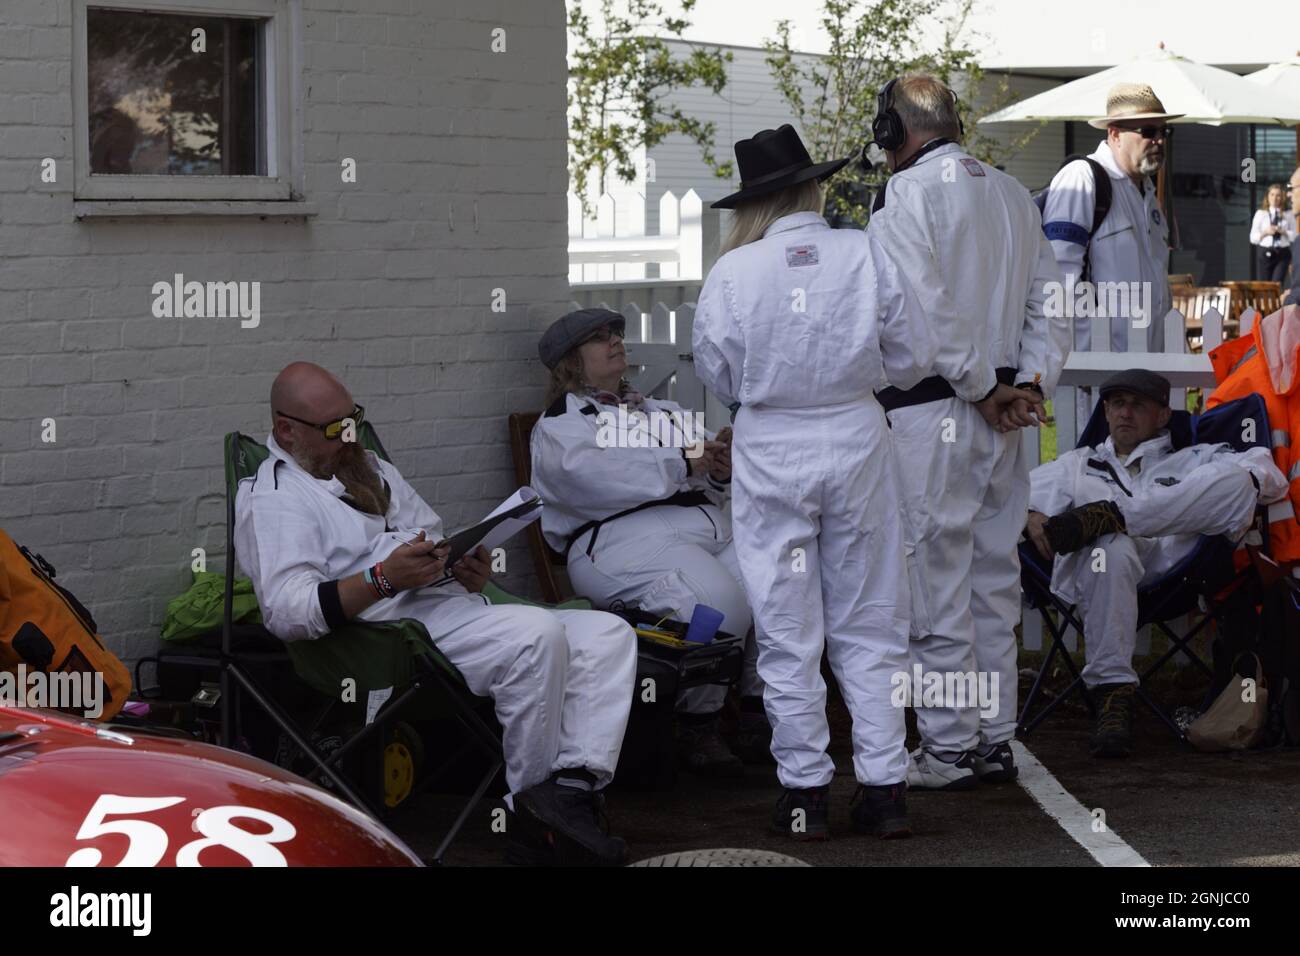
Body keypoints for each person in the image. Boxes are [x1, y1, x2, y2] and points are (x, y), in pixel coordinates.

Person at [235, 362, 639, 865]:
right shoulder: (276, 497)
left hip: (446, 604)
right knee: (535, 636)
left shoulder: (366, 467)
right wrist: (384, 579)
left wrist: (461, 565)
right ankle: (529, 813)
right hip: (382, 637)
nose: (350, 435)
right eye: (334, 428)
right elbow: (286, 610)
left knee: (608, 634)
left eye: (353, 419)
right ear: (286, 430)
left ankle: (567, 794)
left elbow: (429, 531)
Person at [693, 123, 946, 841]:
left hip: (774, 440)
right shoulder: (863, 250)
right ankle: (884, 786)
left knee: (785, 624)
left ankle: (803, 791)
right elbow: (914, 352)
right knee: (871, 619)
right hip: (855, 435)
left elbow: (718, 370)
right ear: (812, 186)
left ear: (755, 202)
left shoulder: (735, 271)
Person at [865, 74, 1070, 790]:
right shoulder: (1015, 194)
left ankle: (951, 748)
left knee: (939, 582)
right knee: (993, 578)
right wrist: (1031, 383)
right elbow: (1052, 302)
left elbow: (923, 307)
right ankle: (993, 739)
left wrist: (985, 389)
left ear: (895, 131)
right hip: (1004, 410)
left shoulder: (904, 196)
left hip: (939, 411)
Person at [529, 307, 767, 776]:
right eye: (599, 338)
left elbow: (701, 461)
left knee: (775, 586)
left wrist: (718, 467)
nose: (615, 341)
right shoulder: (561, 426)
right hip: (619, 540)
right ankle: (697, 722)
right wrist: (682, 461)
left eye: (616, 332)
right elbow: (596, 478)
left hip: (704, 526)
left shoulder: (660, 410)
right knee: (717, 606)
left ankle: (761, 713)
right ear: (570, 363)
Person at [1025, 369, 1287, 758]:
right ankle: (1113, 697)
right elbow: (1009, 497)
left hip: (1172, 575)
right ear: (1106, 412)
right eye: (1116, 404)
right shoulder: (1077, 465)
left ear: (1164, 415)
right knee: (1109, 546)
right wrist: (1029, 513)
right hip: (1099, 575)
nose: (1124, 414)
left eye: (1137, 405)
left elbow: (1271, 478)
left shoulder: (1193, 458)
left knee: (1238, 481)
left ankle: (1116, 514)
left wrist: (1135, 515)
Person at [1041, 83, 1181, 421]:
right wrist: (1078, 357)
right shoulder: (1082, 178)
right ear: (1115, 134)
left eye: (1165, 131)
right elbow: (1057, 279)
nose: (1159, 140)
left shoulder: (1147, 193)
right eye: (1148, 131)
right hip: (1095, 377)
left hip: (1145, 375)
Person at [1249, 183, 1296, 285]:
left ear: (1282, 197)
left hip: (1282, 252)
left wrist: (1282, 231)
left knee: (1277, 284)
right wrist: (1265, 232)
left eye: (1278, 195)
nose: (1275, 198)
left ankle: (1275, 301)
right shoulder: (1261, 214)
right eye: (1272, 194)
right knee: (1264, 285)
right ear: (1268, 196)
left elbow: (1294, 236)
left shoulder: (1288, 214)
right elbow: (1253, 238)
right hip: (1265, 251)